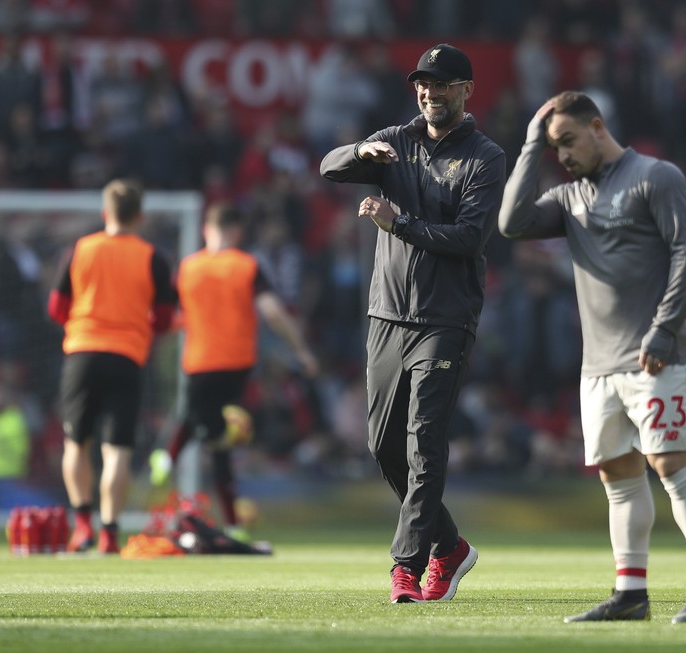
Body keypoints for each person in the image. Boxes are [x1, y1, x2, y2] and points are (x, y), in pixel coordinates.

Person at [498, 91, 686, 623]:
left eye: (567, 142)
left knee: (672, 466)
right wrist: (531, 143)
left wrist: (664, 330)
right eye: (555, 148)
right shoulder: (571, 195)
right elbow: (510, 223)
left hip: (656, 356)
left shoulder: (656, 176)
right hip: (598, 367)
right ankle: (630, 594)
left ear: (597, 127)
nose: (564, 156)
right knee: (619, 479)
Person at [320, 43, 506, 603]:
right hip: (387, 315)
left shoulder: (485, 157)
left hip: (445, 318)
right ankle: (450, 546)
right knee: (382, 446)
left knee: (424, 440)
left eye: (442, 83)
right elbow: (328, 168)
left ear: (465, 91)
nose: (429, 92)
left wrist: (398, 223)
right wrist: (359, 151)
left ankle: (409, 564)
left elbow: (471, 239)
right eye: (423, 83)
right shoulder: (394, 142)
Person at [149, 202, 319, 536]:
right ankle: (232, 521)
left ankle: (167, 457)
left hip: (199, 360)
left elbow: (167, 319)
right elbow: (271, 311)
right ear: (237, 231)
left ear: (205, 230)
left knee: (199, 417)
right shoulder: (246, 266)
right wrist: (300, 349)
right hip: (238, 363)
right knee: (219, 442)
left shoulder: (188, 268)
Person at [47, 179, 177, 554]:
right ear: (140, 216)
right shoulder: (153, 257)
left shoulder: (81, 249)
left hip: (82, 354)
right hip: (127, 357)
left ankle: (82, 526)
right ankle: (109, 533)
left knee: (76, 442)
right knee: (117, 450)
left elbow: (56, 308)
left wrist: (85, 323)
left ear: (105, 213)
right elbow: (165, 320)